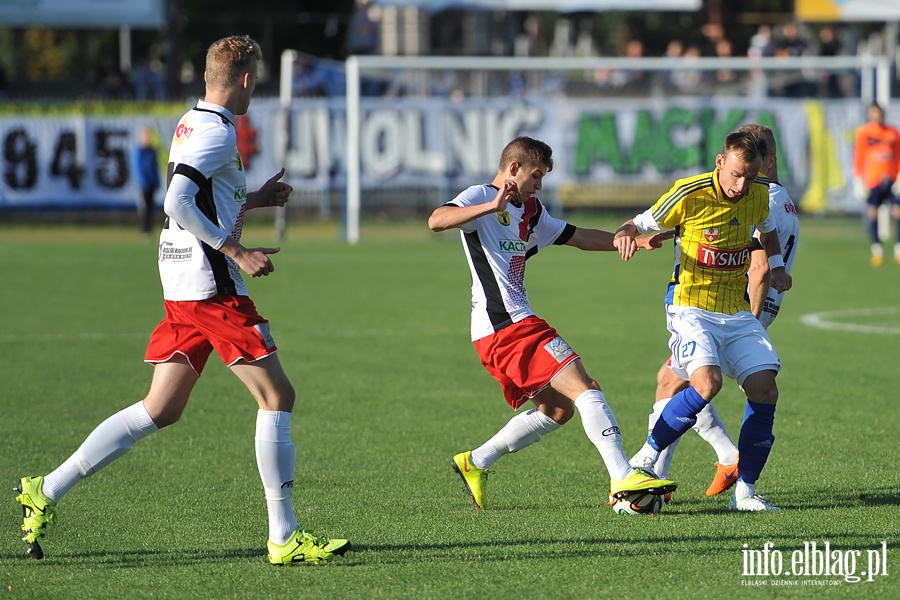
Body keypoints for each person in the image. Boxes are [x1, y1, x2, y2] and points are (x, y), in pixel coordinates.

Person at [15, 35, 350, 565]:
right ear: (244, 79)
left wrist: (254, 199)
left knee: (160, 409)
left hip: (182, 284)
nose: (254, 90)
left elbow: (197, 196)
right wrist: (236, 250)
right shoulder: (216, 132)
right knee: (277, 397)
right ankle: (284, 535)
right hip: (211, 287)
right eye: (255, 80)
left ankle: (46, 489)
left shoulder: (193, 119)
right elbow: (177, 199)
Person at [427, 136, 677, 511]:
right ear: (514, 169)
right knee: (586, 387)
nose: (540, 185)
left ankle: (475, 461)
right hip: (506, 326)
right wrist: (486, 207)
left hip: (505, 330)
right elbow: (436, 221)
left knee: (558, 410)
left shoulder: (530, 210)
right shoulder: (479, 194)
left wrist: (634, 242)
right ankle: (623, 475)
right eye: (536, 175)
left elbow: (577, 236)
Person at [612, 130, 792, 512]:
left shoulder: (758, 194)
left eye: (751, 176)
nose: (742, 185)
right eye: (737, 175)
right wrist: (627, 233)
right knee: (705, 384)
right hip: (690, 306)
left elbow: (768, 230)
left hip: (736, 311)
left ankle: (744, 492)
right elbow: (640, 222)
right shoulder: (689, 193)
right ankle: (644, 459)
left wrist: (776, 267)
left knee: (765, 389)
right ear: (720, 162)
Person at [852, 102, 900, 266]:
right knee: (872, 213)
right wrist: (858, 178)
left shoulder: (892, 132)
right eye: (873, 113)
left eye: (878, 113)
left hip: (892, 180)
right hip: (873, 180)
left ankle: (898, 249)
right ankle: (877, 249)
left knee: (897, 212)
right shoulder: (864, 132)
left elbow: (898, 155)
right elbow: (859, 156)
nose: (876, 116)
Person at [132, 126, 161, 238]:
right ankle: (144, 230)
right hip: (144, 185)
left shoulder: (152, 151)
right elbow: (138, 169)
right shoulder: (138, 152)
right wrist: (142, 183)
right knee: (145, 208)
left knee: (150, 207)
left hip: (152, 184)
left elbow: (155, 167)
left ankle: (149, 229)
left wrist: (156, 182)